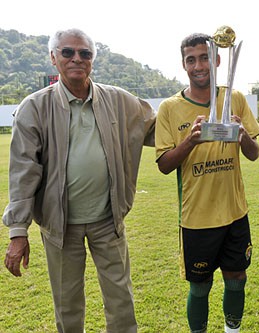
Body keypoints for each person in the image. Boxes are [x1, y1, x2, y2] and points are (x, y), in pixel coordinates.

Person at [2, 28, 156, 333]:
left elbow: (159, 127)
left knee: (121, 302)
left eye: (85, 53)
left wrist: (205, 127)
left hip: (107, 221)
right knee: (68, 305)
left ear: (93, 60)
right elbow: (23, 170)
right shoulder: (34, 107)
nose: (76, 59)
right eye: (67, 52)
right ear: (53, 58)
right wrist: (18, 231)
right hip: (59, 227)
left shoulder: (118, 100)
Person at [155, 33, 259, 333]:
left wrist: (242, 137)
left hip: (234, 213)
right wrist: (189, 141)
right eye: (192, 59)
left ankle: (233, 330)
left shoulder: (235, 97)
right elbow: (164, 165)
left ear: (216, 60)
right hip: (196, 219)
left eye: (204, 57)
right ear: (184, 64)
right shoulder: (170, 108)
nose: (199, 65)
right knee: (200, 287)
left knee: (236, 278)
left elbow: (253, 154)